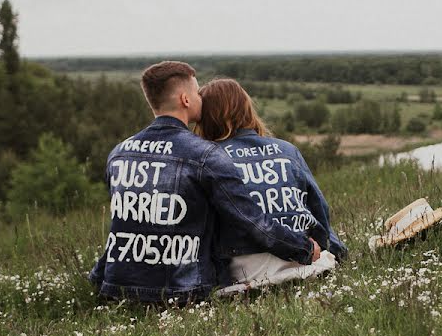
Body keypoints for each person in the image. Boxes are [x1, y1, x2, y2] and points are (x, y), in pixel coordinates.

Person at [89, 62, 320, 303]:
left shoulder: (119, 152)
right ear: (186, 100)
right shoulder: (205, 155)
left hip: (116, 288)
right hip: (183, 290)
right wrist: (302, 248)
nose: (202, 98)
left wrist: (98, 277)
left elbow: (127, 223)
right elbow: (252, 221)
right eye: (198, 93)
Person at [194, 78, 347, 294]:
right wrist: (337, 252)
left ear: (206, 119)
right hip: (303, 258)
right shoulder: (287, 150)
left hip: (244, 269)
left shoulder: (207, 159)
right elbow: (318, 209)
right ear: (246, 109)